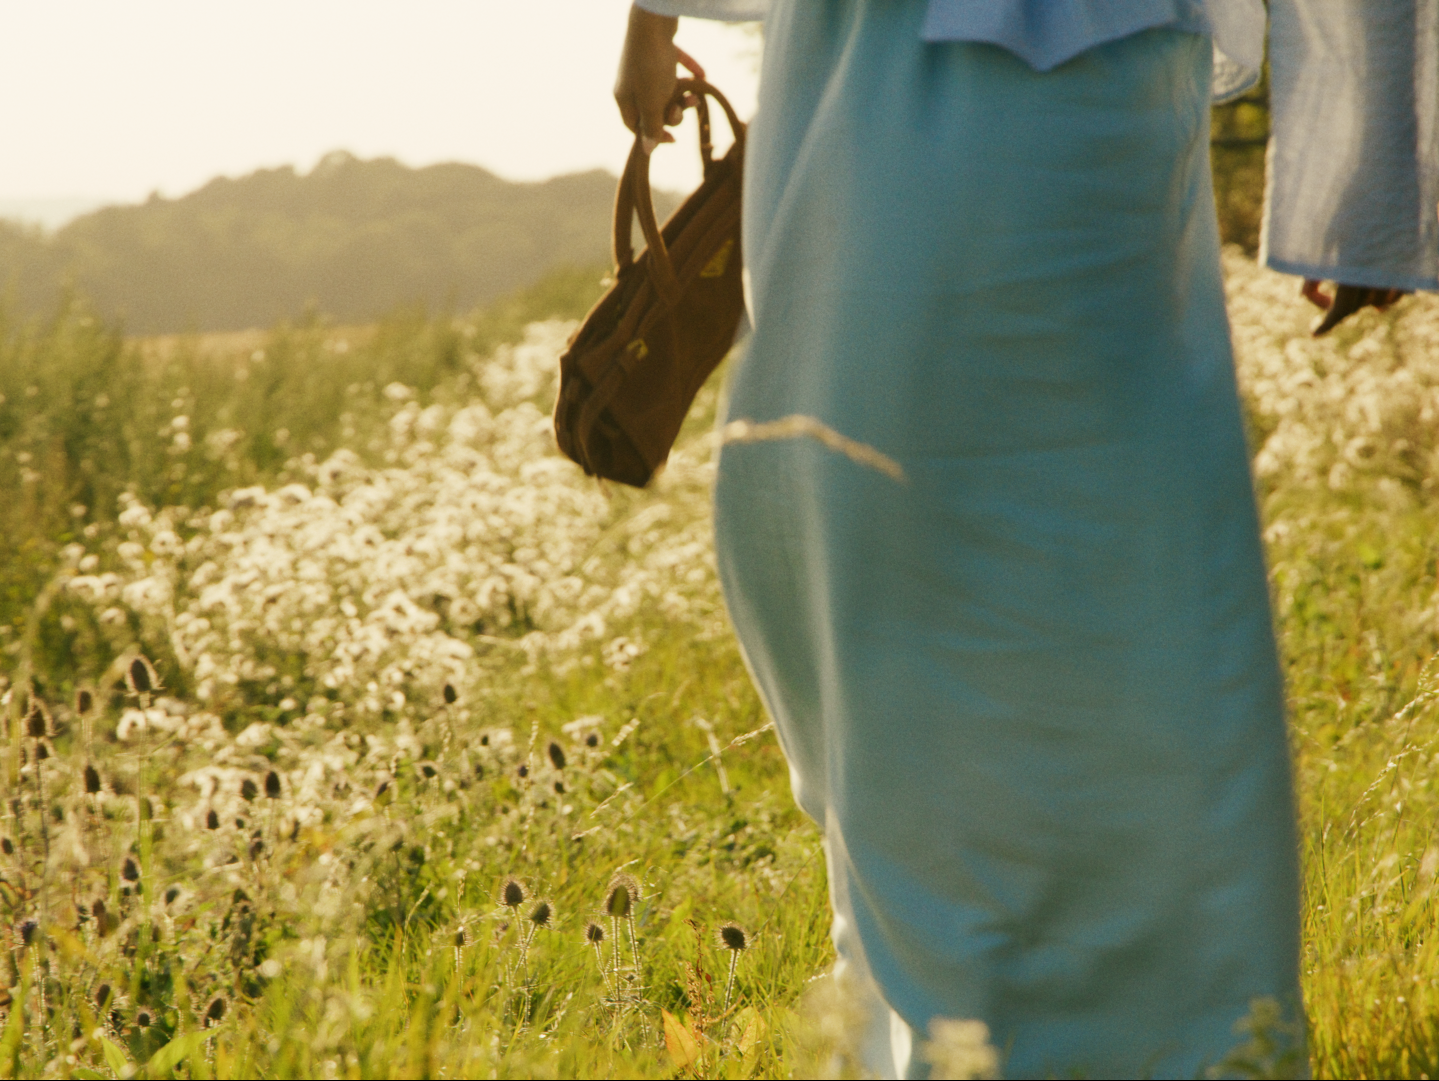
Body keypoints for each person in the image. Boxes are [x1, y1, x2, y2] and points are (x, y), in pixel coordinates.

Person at [614, 2, 1439, 1077]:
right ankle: (944, 1028)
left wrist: (1368, 159)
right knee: (845, 540)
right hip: (851, 62)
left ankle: (1158, 1036)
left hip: (1075, 65)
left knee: (1091, 555)